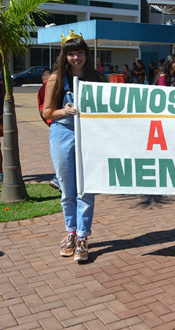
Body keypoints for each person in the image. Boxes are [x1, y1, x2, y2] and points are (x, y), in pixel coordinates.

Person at [42, 30, 106, 262]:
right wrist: (63, 111)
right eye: (71, 54)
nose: (76, 58)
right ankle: (70, 232)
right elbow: (46, 111)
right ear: (64, 56)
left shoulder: (98, 79)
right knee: (68, 190)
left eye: (80, 53)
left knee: (86, 188)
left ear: (86, 54)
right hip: (62, 134)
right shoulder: (56, 79)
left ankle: (83, 237)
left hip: (90, 136)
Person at [36, 69, 61, 192]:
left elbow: (42, 111)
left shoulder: (43, 88)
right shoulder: (55, 85)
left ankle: (59, 179)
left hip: (53, 122)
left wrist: (48, 123)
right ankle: (59, 179)